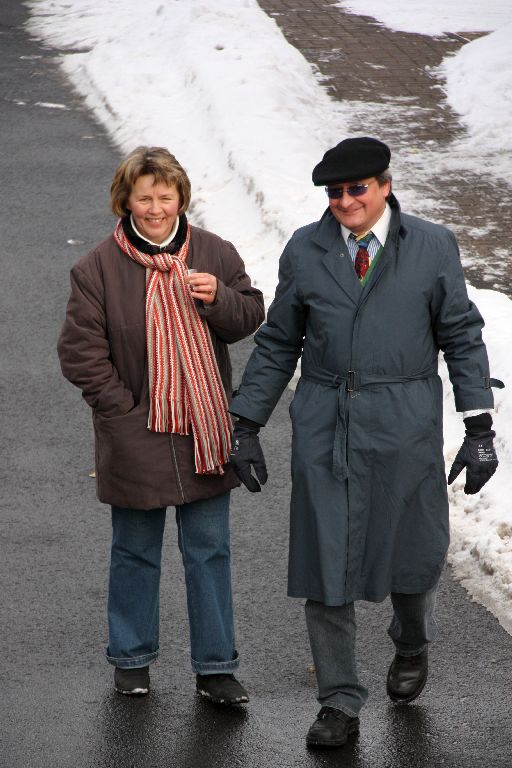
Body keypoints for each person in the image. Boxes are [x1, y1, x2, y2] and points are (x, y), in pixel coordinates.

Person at [228, 136, 503, 746]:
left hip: (405, 421)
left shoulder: (431, 245)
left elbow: (461, 334)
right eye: (335, 192)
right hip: (326, 422)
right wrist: (245, 422)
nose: (346, 201)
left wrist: (479, 425)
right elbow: (279, 341)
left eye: (357, 189)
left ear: (383, 186)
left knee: (414, 557)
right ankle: (339, 701)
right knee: (325, 563)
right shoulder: (306, 248)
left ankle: (412, 642)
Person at [57, 146, 265, 704]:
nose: (155, 209)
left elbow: (249, 316)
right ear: (124, 200)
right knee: (134, 551)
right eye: (144, 197)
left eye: (165, 197)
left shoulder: (214, 252)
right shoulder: (96, 268)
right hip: (135, 433)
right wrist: (123, 415)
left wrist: (220, 299)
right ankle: (131, 658)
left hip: (204, 431)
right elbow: (81, 353)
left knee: (209, 551)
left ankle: (216, 667)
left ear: (181, 198)